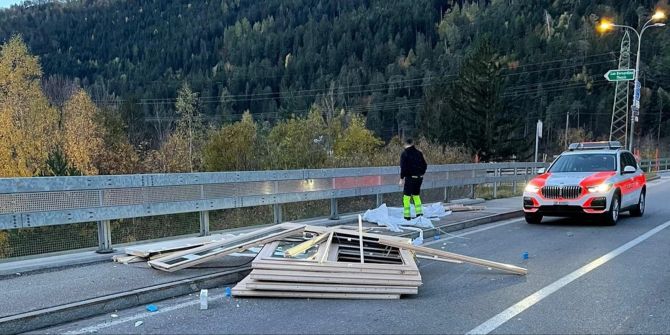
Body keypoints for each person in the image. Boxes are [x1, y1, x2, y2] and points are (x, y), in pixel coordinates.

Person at [399, 138, 427, 220]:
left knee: (406, 197)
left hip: (410, 178)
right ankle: (419, 214)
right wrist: (421, 173)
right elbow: (425, 165)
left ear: (405, 144)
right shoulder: (419, 153)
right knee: (416, 195)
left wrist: (401, 178)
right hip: (419, 178)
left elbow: (403, 167)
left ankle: (407, 216)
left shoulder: (405, 154)